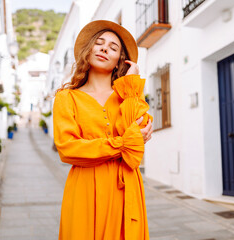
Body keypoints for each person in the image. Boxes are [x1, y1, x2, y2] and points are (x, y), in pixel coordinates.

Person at [53, 20, 153, 240]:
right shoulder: (66, 98)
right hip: (85, 188)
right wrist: (122, 144)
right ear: (89, 51)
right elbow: (68, 149)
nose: (105, 48)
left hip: (126, 185)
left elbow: (141, 128)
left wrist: (132, 82)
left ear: (120, 61)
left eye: (113, 47)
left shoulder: (127, 96)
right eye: (99, 43)